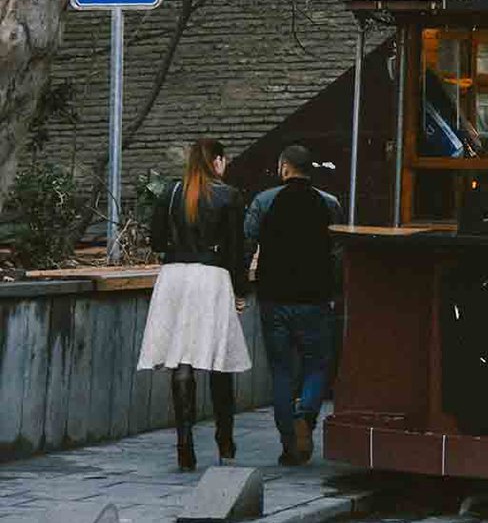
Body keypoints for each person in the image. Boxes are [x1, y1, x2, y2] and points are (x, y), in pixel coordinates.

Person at [138, 139, 251, 470]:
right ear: (216, 161)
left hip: (174, 276)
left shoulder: (172, 193)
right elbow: (235, 249)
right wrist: (240, 290)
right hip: (211, 277)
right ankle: (225, 440)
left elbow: (157, 239)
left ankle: (184, 445)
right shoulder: (228, 195)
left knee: (181, 359)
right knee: (218, 360)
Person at [246, 145, 343, 466]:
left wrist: (239, 286)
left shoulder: (264, 201)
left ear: (284, 168)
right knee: (318, 364)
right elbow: (338, 252)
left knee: (281, 370)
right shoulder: (328, 204)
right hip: (314, 298)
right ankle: (306, 414)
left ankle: (289, 444)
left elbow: (247, 241)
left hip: (274, 297)